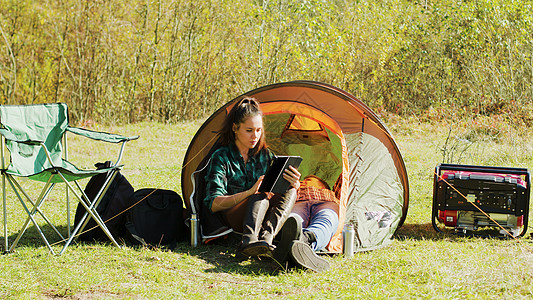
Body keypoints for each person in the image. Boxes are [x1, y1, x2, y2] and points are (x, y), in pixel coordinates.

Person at [203, 97, 301, 257]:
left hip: (262, 213)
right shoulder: (221, 157)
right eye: (249, 130)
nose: (254, 136)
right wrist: (249, 193)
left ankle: (266, 240)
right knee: (260, 193)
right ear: (235, 128)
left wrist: (293, 183)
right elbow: (213, 204)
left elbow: (279, 191)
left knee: (291, 191)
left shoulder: (265, 155)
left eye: (258, 130)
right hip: (232, 217)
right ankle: (249, 241)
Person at [275, 175, 339, 272]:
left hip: (325, 203)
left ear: (322, 186)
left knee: (325, 219)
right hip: (298, 202)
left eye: (308, 180)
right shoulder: (294, 189)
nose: (303, 182)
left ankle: (306, 240)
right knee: (293, 219)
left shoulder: (329, 193)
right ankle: (297, 245)